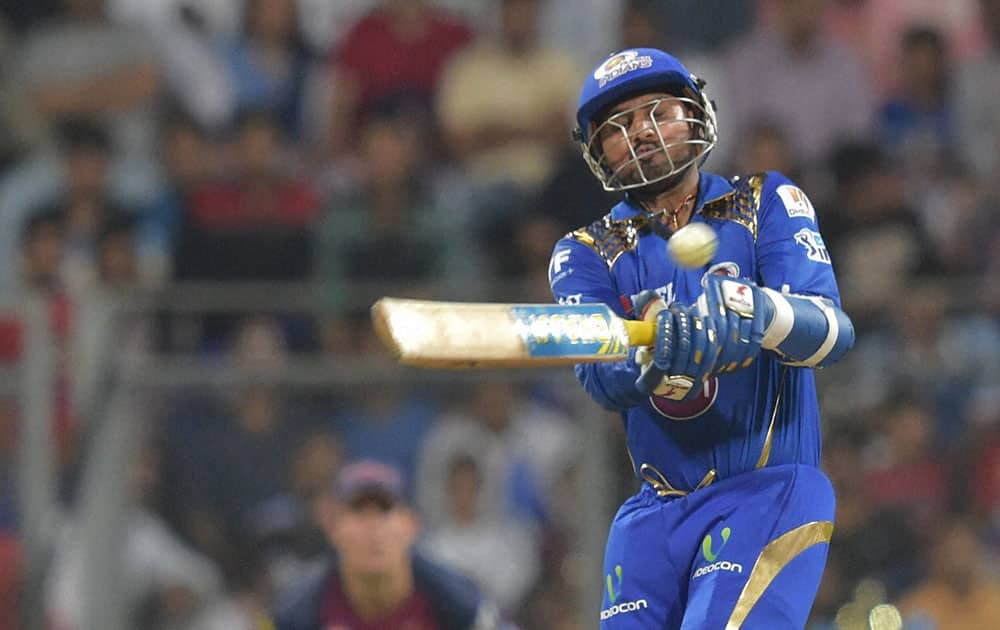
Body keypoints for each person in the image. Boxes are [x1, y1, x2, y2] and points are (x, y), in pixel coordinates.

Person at [548, 48, 856, 628]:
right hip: (651, 517)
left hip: (764, 491)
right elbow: (598, 376)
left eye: (657, 110)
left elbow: (834, 332)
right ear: (596, 152)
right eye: (617, 125)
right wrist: (648, 349)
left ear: (696, 114)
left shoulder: (765, 201)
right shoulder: (584, 251)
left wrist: (756, 311)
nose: (641, 131)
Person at [272, 459, 500, 630]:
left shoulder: (460, 602)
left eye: (384, 510)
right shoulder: (298, 613)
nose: (372, 528)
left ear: (411, 525)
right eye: (358, 512)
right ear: (332, 528)